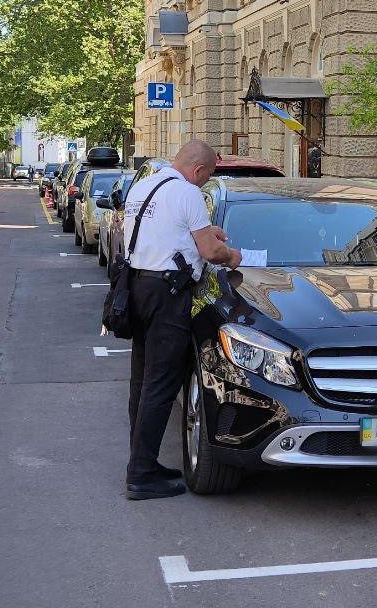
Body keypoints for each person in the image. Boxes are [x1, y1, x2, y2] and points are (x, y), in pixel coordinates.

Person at [122, 140, 242, 500]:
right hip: (168, 295)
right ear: (199, 170)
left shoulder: (144, 186)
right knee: (161, 383)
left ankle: (141, 460)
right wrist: (232, 255)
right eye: (208, 178)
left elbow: (166, 233)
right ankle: (142, 474)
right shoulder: (188, 193)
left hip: (137, 287)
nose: (205, 184)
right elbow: (210, 252)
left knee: (141, 380)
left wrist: (206, 235)